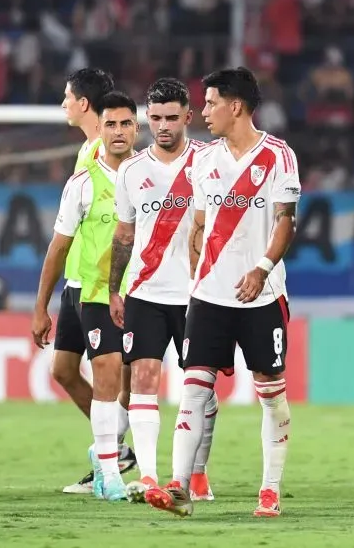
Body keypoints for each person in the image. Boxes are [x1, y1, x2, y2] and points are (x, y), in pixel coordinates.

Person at [144, 67, 300, 519]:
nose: (204, 111)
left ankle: (269, 489)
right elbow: (197, 225)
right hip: (210, 297)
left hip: (262, 295)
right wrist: (198, 281)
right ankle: (179, 486)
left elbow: (286, 220)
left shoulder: (278, 156)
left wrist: (262, 267)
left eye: (211, 103)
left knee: (271, 393)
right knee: (194, 389)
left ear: (236, 106)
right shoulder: (204, 160)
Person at [107, 78, 218, 503]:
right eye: (155, 118)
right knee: (143, 378)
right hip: (146, 292)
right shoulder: (132, 171)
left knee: (200, 389)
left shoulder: (210, 161)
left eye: (172, 117)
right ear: (145, 119)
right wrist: (114, 289)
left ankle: (197, 472)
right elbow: (124, 233)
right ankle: (151, 478)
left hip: (200, 294)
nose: (164, 126)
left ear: (189, 117)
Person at [32, 91, 139, 500]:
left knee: (118, 373)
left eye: (125, 124)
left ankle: (112, 463)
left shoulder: (149, 177)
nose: (116, 132)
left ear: (135, 127)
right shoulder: (84, 177)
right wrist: (40, 306)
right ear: (103, 126)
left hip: (128, 292)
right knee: (74, 371)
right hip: (85, 289)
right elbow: (59, 245)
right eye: (110, 124)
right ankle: (110, 462)